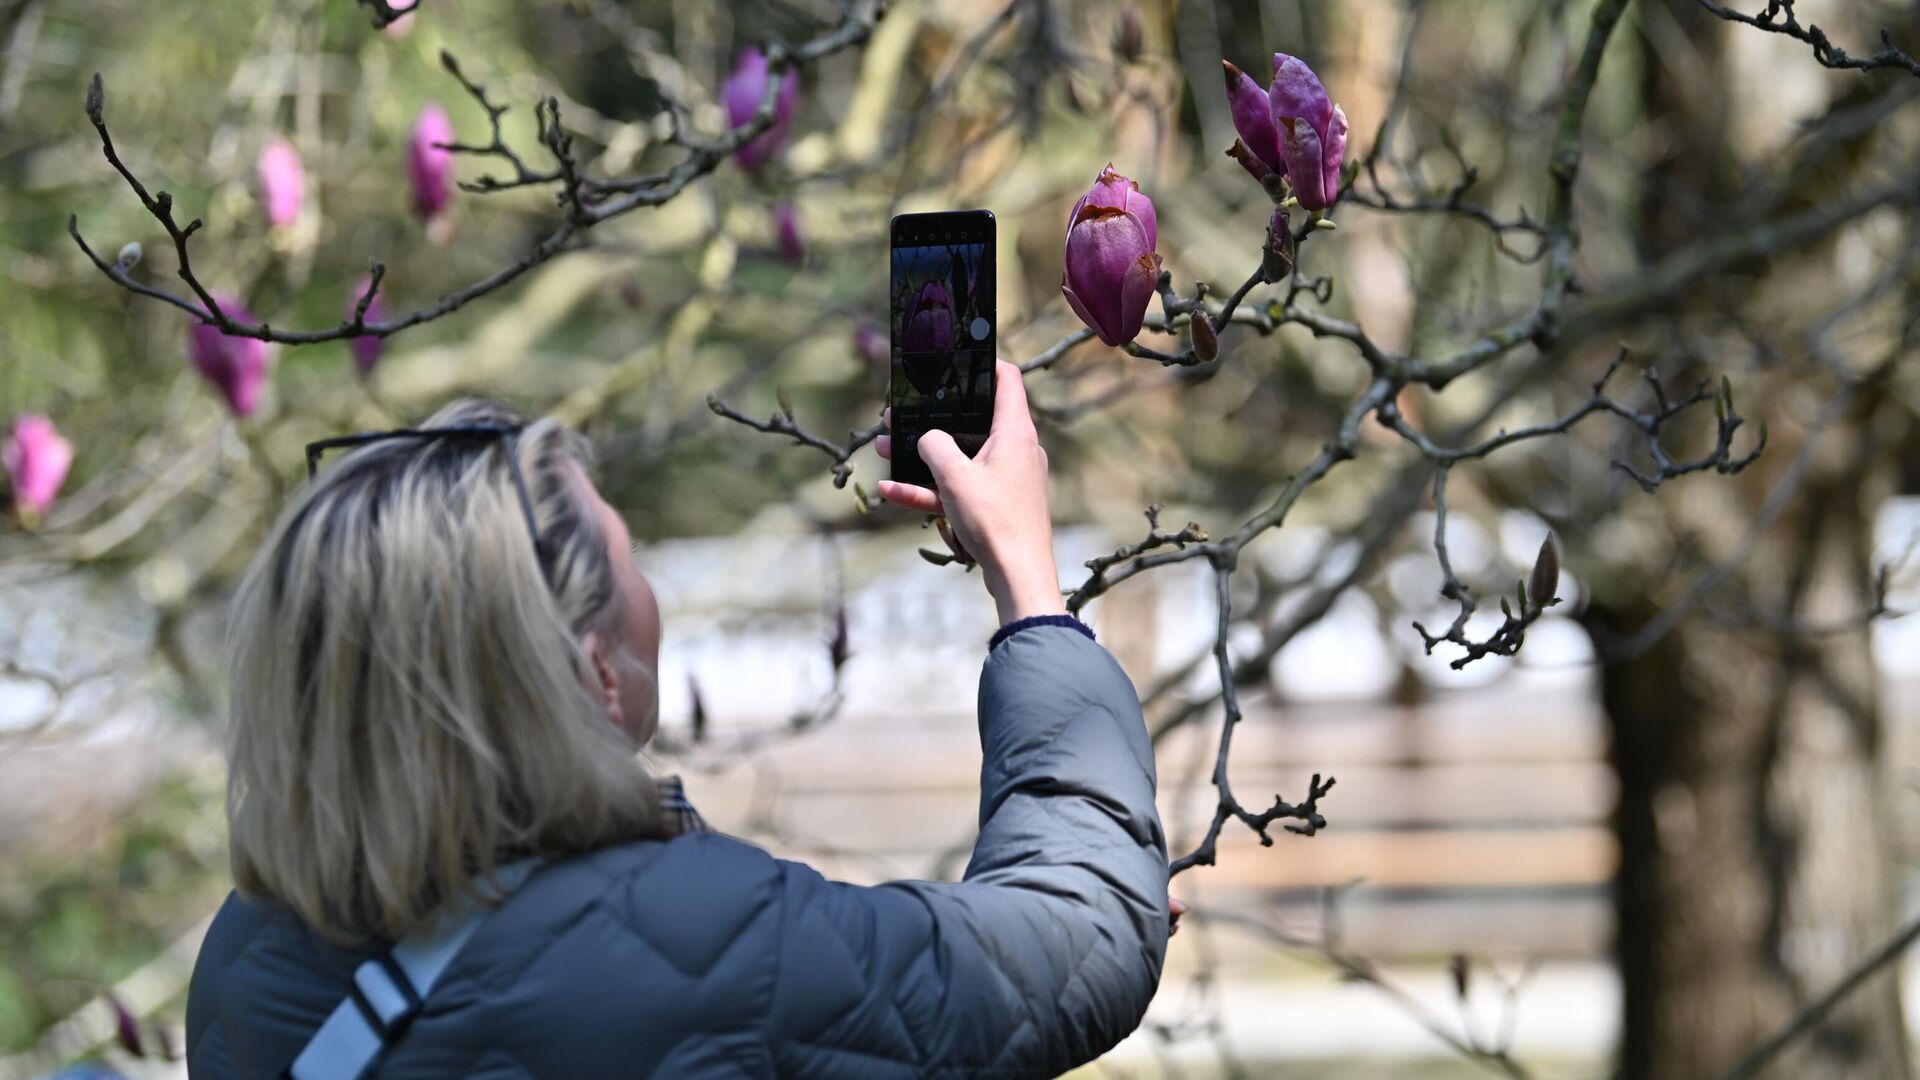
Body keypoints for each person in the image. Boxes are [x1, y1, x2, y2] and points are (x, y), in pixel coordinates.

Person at [184, 360, 1171, 1078]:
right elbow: (1082, 932)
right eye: (630, 558)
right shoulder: (710, 937)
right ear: (594, 678)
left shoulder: (249, 957)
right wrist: (1028, 579)